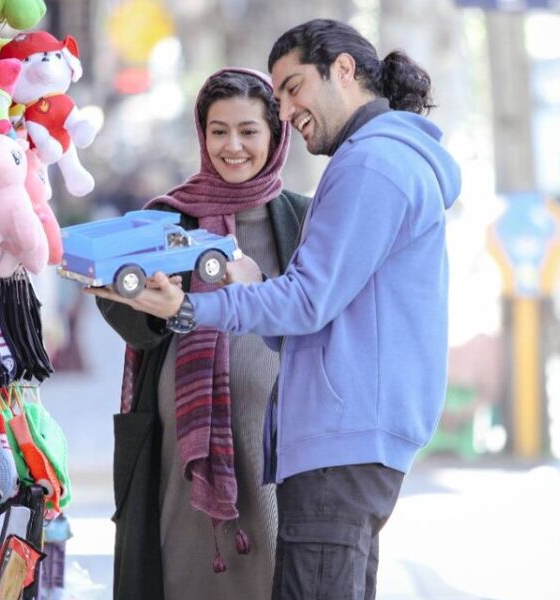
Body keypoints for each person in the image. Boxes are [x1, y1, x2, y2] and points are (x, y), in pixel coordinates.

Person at [90, 19, 462, 599]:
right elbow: (331, 310)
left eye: (292, 90)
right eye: (219, 130)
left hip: (337, 442)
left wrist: (191, 307)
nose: (286, 110)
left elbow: (308, 301)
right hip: (327, 444)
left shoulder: (369, 165)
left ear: (343, 70)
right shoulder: (379, 161)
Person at [95, 68, 309, 600]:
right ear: (202, 133)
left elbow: (319, 312)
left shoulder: (305, 219)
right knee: (181, 567)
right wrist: (153, 304)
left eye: (248, 131)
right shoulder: (169, 217)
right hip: (183, 435)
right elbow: (121, 311)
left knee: (272, 563)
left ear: (276, 134)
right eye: (218, 131)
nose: (232, 146)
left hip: (279, 432)